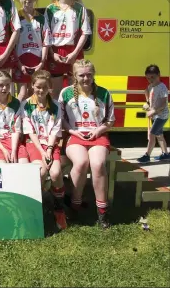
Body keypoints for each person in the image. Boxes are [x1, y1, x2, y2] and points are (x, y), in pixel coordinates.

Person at [58, 59, 115, 228]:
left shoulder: (104, 93)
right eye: (81, 75)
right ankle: (75, 205)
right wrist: (73, 131)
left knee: (97, 164)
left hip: (98, 135)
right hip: (75, 136)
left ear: (94, 74)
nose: (85, 78)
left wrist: (98, 131)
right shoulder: (66, 93)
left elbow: (110, 121)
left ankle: (102, 213)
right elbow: (61, 121)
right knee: (81, 162)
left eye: (89, 74)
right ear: (74, 76)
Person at [21, 70, 67, 230]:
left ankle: (59, 209)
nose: (41, 90)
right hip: (34, 144)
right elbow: (29, 132)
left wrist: (49, 149)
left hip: (50, 144)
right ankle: (36, 208)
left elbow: (55, 130)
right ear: (32, 86)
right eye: (37, 87)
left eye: (44, 87)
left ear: (50, 88)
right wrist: (42, 151)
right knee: (40, 172)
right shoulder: (26, 105)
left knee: (55, 173)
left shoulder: (55, 105)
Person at [44, 0, 92, 99]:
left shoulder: (79, 8)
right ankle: (58, 117)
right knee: (56, 91)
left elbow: (85, 32)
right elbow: (46, 35)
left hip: (74, 51)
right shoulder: (50, 9)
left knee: (76, 89)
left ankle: (74, 117)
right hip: (56, 52)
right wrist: (52, 54)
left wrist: (75, 53)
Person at [14, 0, 49, 101]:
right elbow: (12, 43)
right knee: (22, 93)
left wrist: (42, 63)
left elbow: (45, 42)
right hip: (21, 60)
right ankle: (16, 117)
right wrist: (18, 64)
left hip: (37, 60)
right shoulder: (16, 17)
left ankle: (29, 117)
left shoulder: (42, 18)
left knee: (34, 93)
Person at [137, 65, 169, 163]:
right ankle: (166, 154)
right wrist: (147, 102)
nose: (150, 80)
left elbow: (164, 103)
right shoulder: (151, 86)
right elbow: (146, 91)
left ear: (159, 75)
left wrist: (153, 111)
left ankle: (147, 155)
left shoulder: (162, 87)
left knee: (152, 134)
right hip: (155, 115)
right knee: (159, 135)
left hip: (161, 116)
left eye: (153, 77)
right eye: (148, 78)